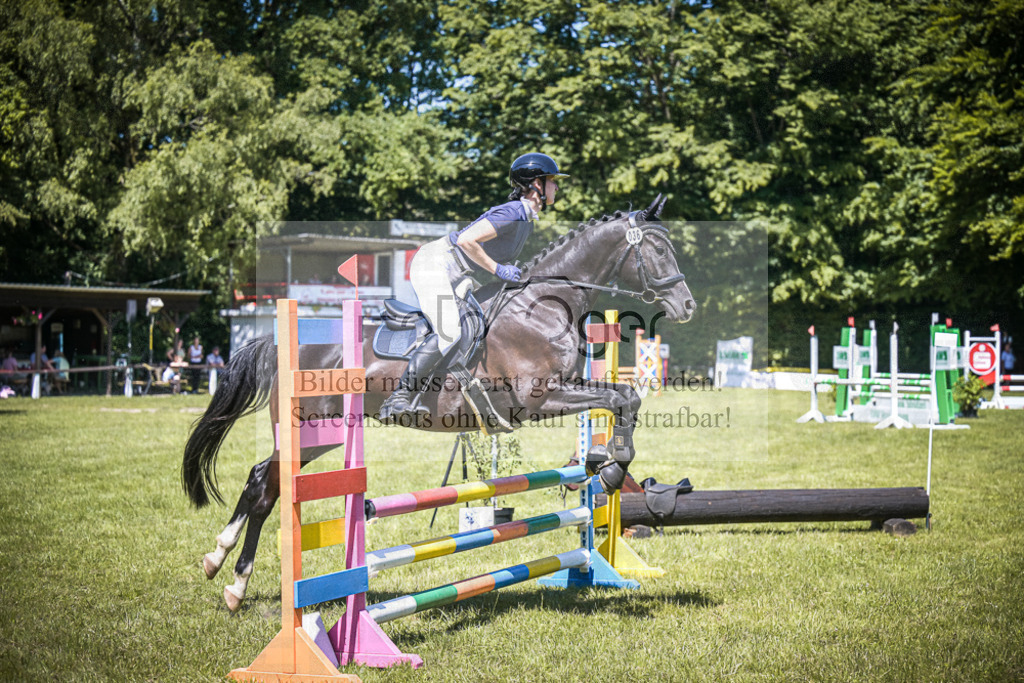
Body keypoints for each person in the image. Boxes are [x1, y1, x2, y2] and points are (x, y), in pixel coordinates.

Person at [378, 152, 568, 426]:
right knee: (449, 332)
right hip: (437, 264)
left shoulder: (526, 219)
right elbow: (467, 240)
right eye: (552, 180)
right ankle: (399, 397)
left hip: (460, 273)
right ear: (537, 184)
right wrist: (498, 269)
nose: (556, 187)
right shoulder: (512, 212)